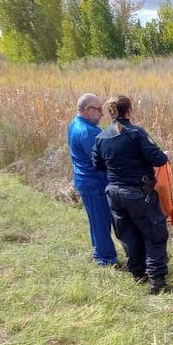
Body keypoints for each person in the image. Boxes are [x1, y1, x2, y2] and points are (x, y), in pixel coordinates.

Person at [92, 95, 171, 294]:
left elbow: (97, 164)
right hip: (138, 193)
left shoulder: (101, 137)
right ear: (129, 111)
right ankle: (157, 282)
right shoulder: (136, 133)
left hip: (115, 193)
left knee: (128, 235)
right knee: (154, 234)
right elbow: (158, 158)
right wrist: (165, 155)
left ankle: (138, 275)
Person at [67, 93, 118, 267]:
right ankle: (107, 260)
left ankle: (99, 252)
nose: (101, 114)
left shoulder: (76, 123)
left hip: (86, 180)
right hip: (94, 182)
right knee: (101, 221)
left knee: (96, 220)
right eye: (98, 109)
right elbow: (101, 160)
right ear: (87, 110)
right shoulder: (86, 131)